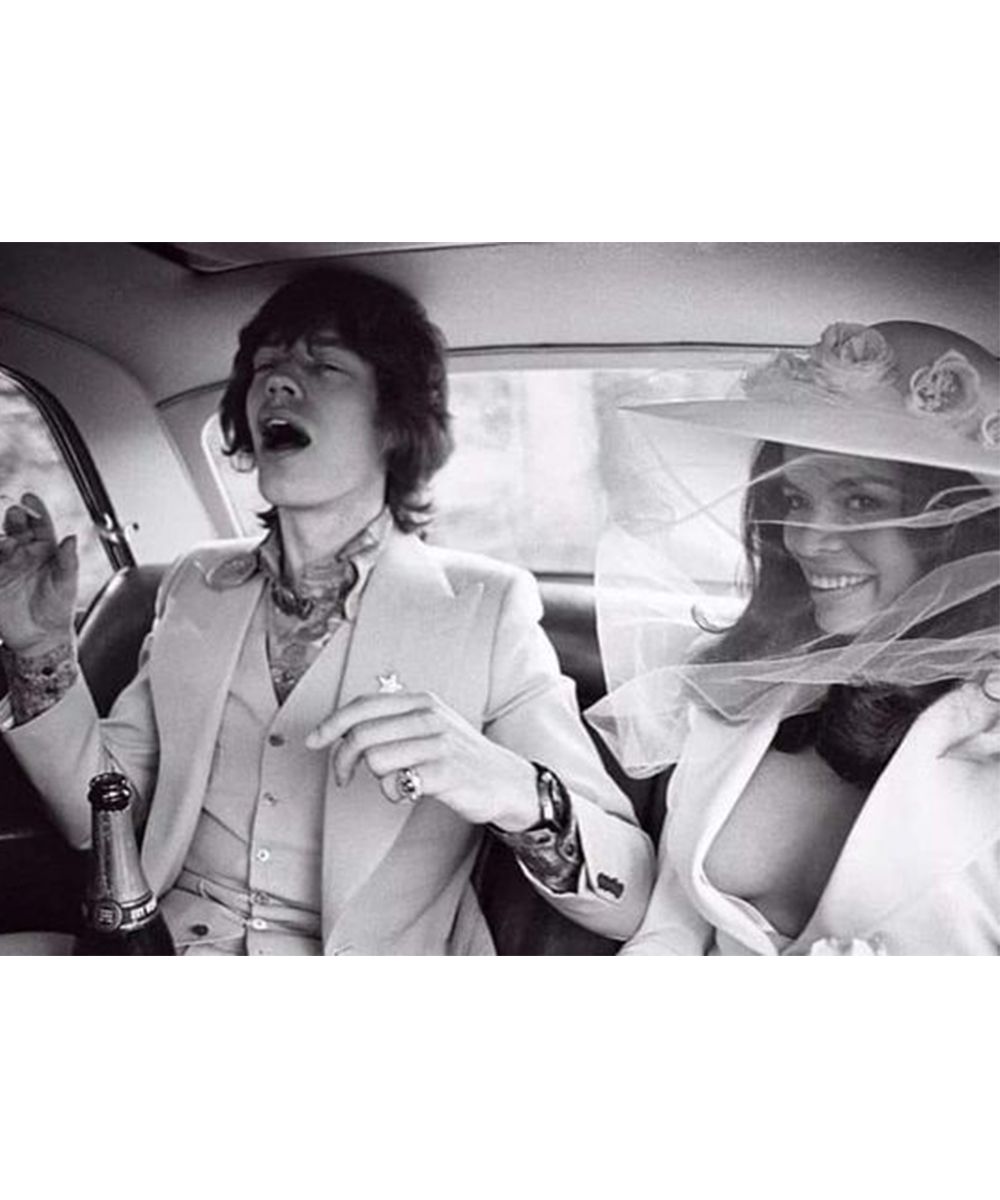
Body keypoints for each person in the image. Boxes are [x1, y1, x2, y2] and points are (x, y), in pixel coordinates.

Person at [0, 266, 654, 955]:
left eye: (325, 366)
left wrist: (511, 788)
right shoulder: (196, 584)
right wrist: (39, 649)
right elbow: (97, 818)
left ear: (394, 421)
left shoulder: (487, 610)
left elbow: (631, 896)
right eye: (265, 367)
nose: (278, 383)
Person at [587, 320, 1000, 955]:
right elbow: (670, 930)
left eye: (861, 502)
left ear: (959, 523)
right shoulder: (746, 683)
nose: (805, 539)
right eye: (796, 499)